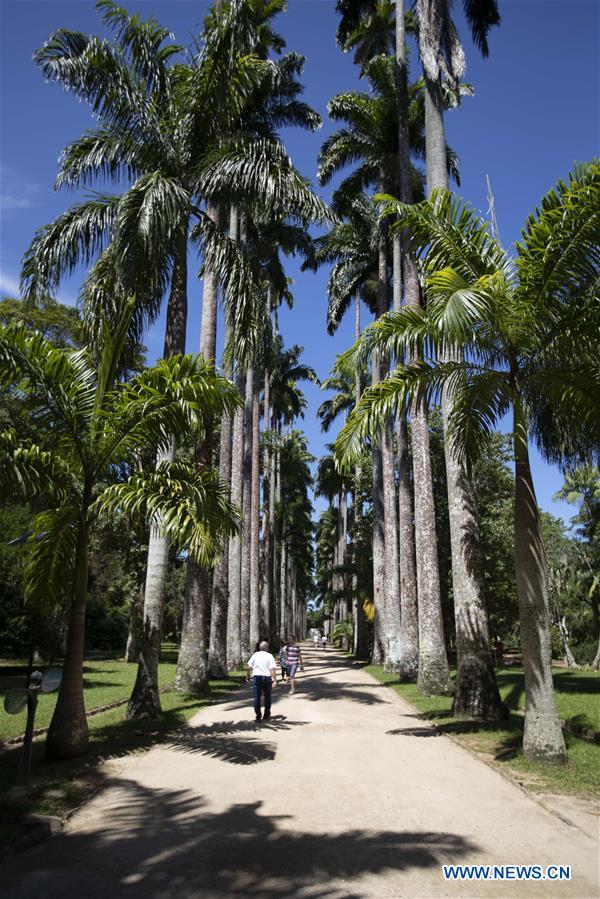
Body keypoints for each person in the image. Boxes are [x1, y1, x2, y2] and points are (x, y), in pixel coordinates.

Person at [246, 640, 278, 722]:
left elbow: (249, 667)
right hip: (267, 678)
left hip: (257, 678)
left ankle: (258, 716)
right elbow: (272, 669)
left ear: (259, 648)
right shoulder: (270, 656)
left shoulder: (255, 655)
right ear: (267, 648)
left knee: (257, 697)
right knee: (267, 697)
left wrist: (248, 676)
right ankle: (266, 714)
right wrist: (274, 680)